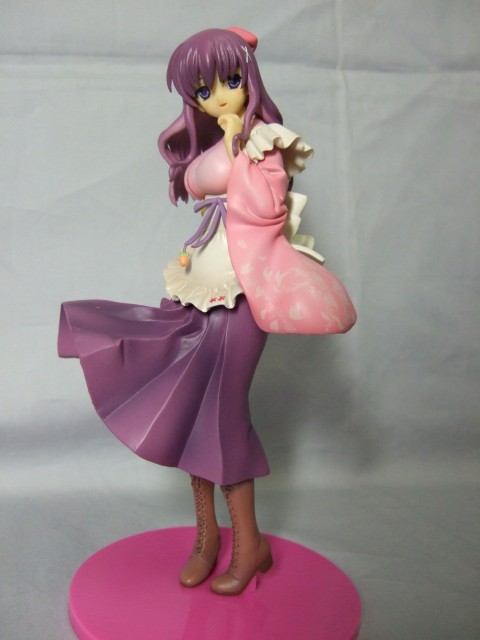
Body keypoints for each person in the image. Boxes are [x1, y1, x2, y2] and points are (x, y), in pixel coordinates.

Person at [58, 27, 356, 596]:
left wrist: (238, 148)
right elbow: (197, 186)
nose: (219, 96)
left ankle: (250, 545)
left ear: (250, 79)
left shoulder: (264, 140)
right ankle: (207, 539)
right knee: (189, 407)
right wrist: (218, 148)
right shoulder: (212, 143)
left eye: (231, 81)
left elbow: (267, 208)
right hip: (198, 285)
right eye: (203, 89)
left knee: (223, 415)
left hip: (244, 291)